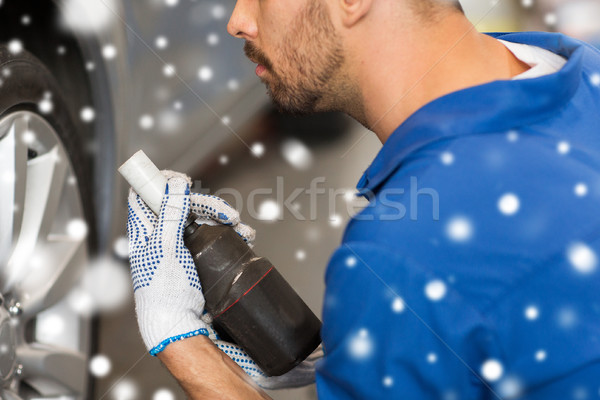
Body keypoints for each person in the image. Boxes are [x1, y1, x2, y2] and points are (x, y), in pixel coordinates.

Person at [126, 0, 600, 398]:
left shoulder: (402, 258)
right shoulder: (584, 70)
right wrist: (373, 347)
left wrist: (181, 342)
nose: (238, 19)